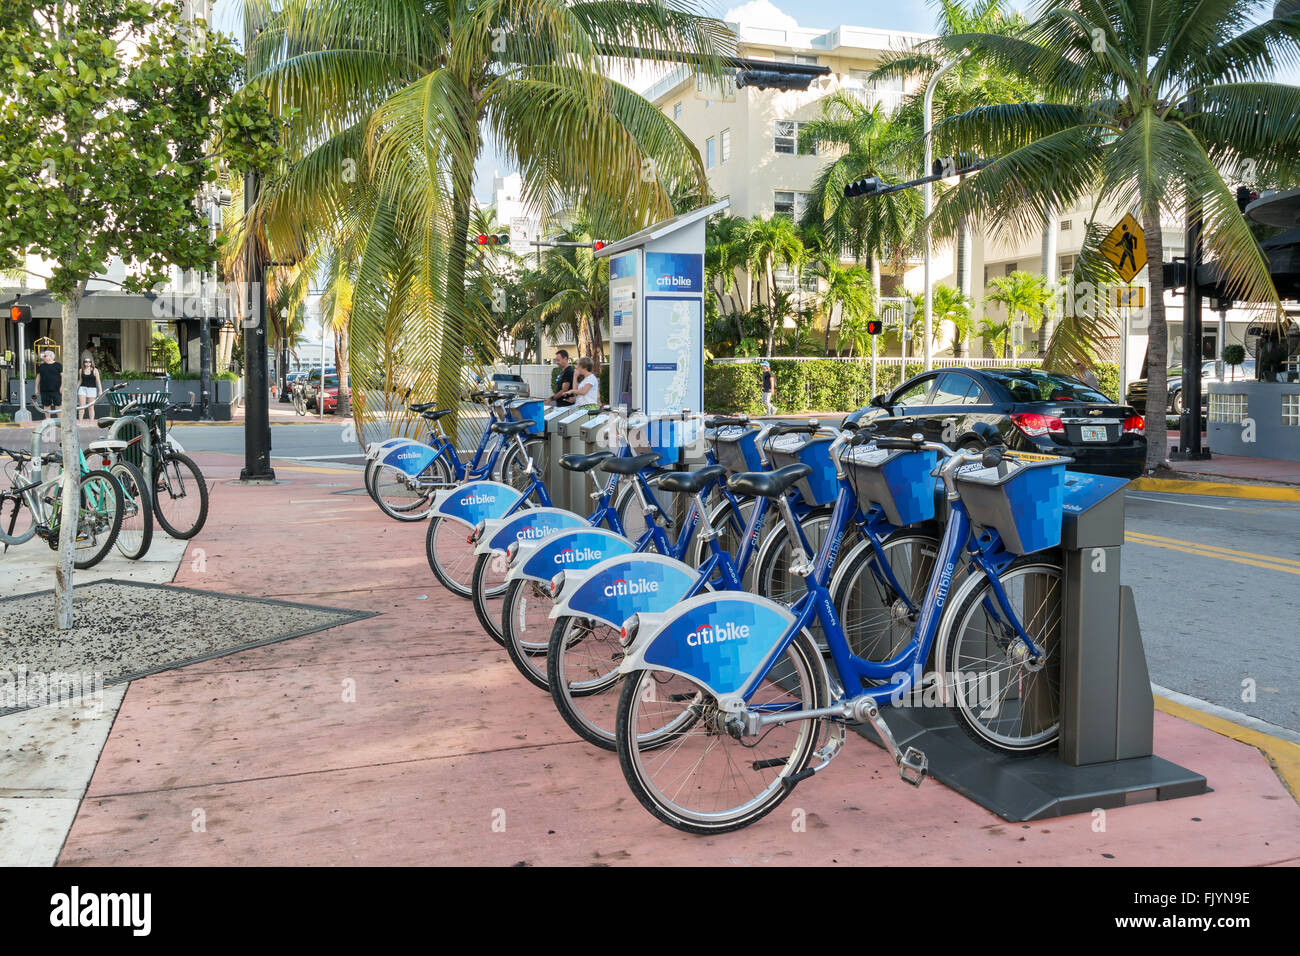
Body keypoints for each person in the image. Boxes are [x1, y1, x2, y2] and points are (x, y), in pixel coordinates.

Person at [36, 350, 62, 415]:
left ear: (50, 357)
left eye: (45, 356)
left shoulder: (58, 365)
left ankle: (60, 421)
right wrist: (36, 388)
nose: (43, 357)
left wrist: (62, 387)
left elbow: (63, 377)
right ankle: (48, 421)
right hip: (44, 389)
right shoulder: (41, 366)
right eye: (43, 356)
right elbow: (38, 377)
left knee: (58, 405)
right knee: (46, 406)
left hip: (56, 389)